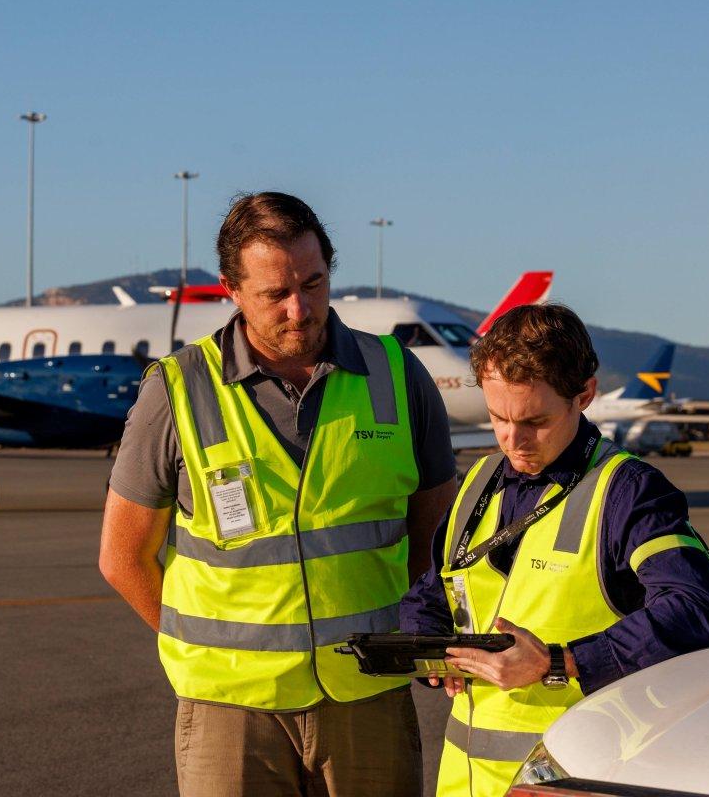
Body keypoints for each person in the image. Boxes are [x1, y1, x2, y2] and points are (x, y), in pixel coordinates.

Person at [99, 192, 458, 797]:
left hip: (366, 697)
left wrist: (417, 636)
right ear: (231, 291)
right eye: (275, 294)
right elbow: (123, 557)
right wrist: (201, 647)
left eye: (314, 284)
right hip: (229, 712)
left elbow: (438, 536)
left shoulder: (398, 374)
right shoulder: (177, 389)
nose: (300, 309)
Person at [400, 303, 709, 797]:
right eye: (498, 417)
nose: (514, 440)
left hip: (570, 779)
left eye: (535, 420)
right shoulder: (477, 482)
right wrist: (428, 647)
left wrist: (558, 662)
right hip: (464, 781)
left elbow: (703, 610)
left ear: (585, 395)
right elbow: (435, 591)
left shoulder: (629, 491)